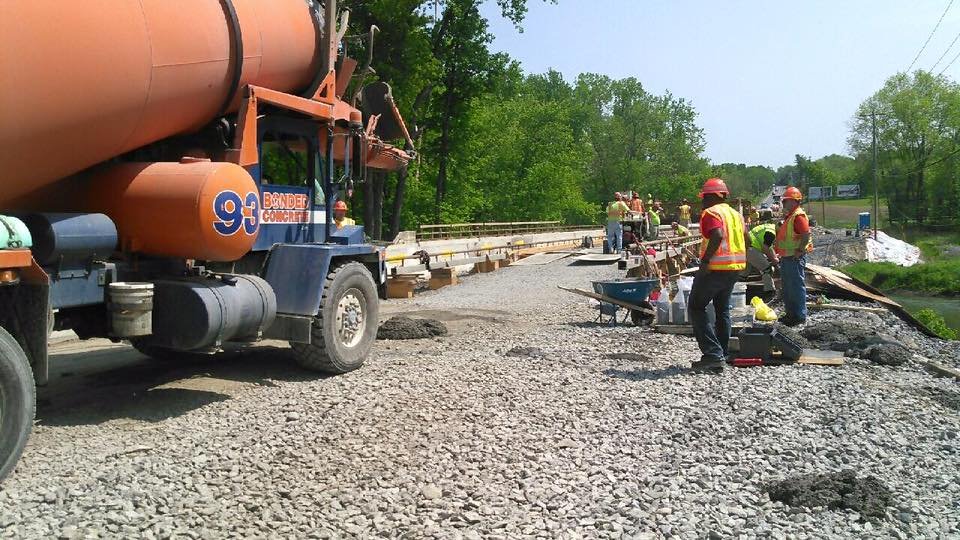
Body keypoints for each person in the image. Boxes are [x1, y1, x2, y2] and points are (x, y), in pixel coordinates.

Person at [688, 178, 747, 372]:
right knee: (722, 309)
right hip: (734, 267)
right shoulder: (735, 215)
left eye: (704, 197)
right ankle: (722, 353)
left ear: (713, 196)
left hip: (716, 268)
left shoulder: (711, 213)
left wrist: (705, 262)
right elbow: (748, 239)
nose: (702, 201)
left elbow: (718, 235)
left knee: (696, 307)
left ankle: (713, 355)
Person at [774, 186, 813, 326]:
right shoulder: (791, 216)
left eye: (786, 201)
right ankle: (791, 314)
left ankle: (799, 315)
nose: (784, 204)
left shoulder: (798, 216)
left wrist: (800, 250)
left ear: (794, 201)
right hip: (787, 257)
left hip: (794, 258)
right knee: (788, 287)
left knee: (795, 287)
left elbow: (806, 234)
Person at [743, 223, 778, 292]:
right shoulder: (771, 233)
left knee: (743, 274)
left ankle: (733, 290)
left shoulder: (769, 227)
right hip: (751, 249)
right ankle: (770, 292)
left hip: (746, 248)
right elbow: (765, 248)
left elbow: (768, 246)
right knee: (767, 269)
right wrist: (774, 261)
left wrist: (775, 258)